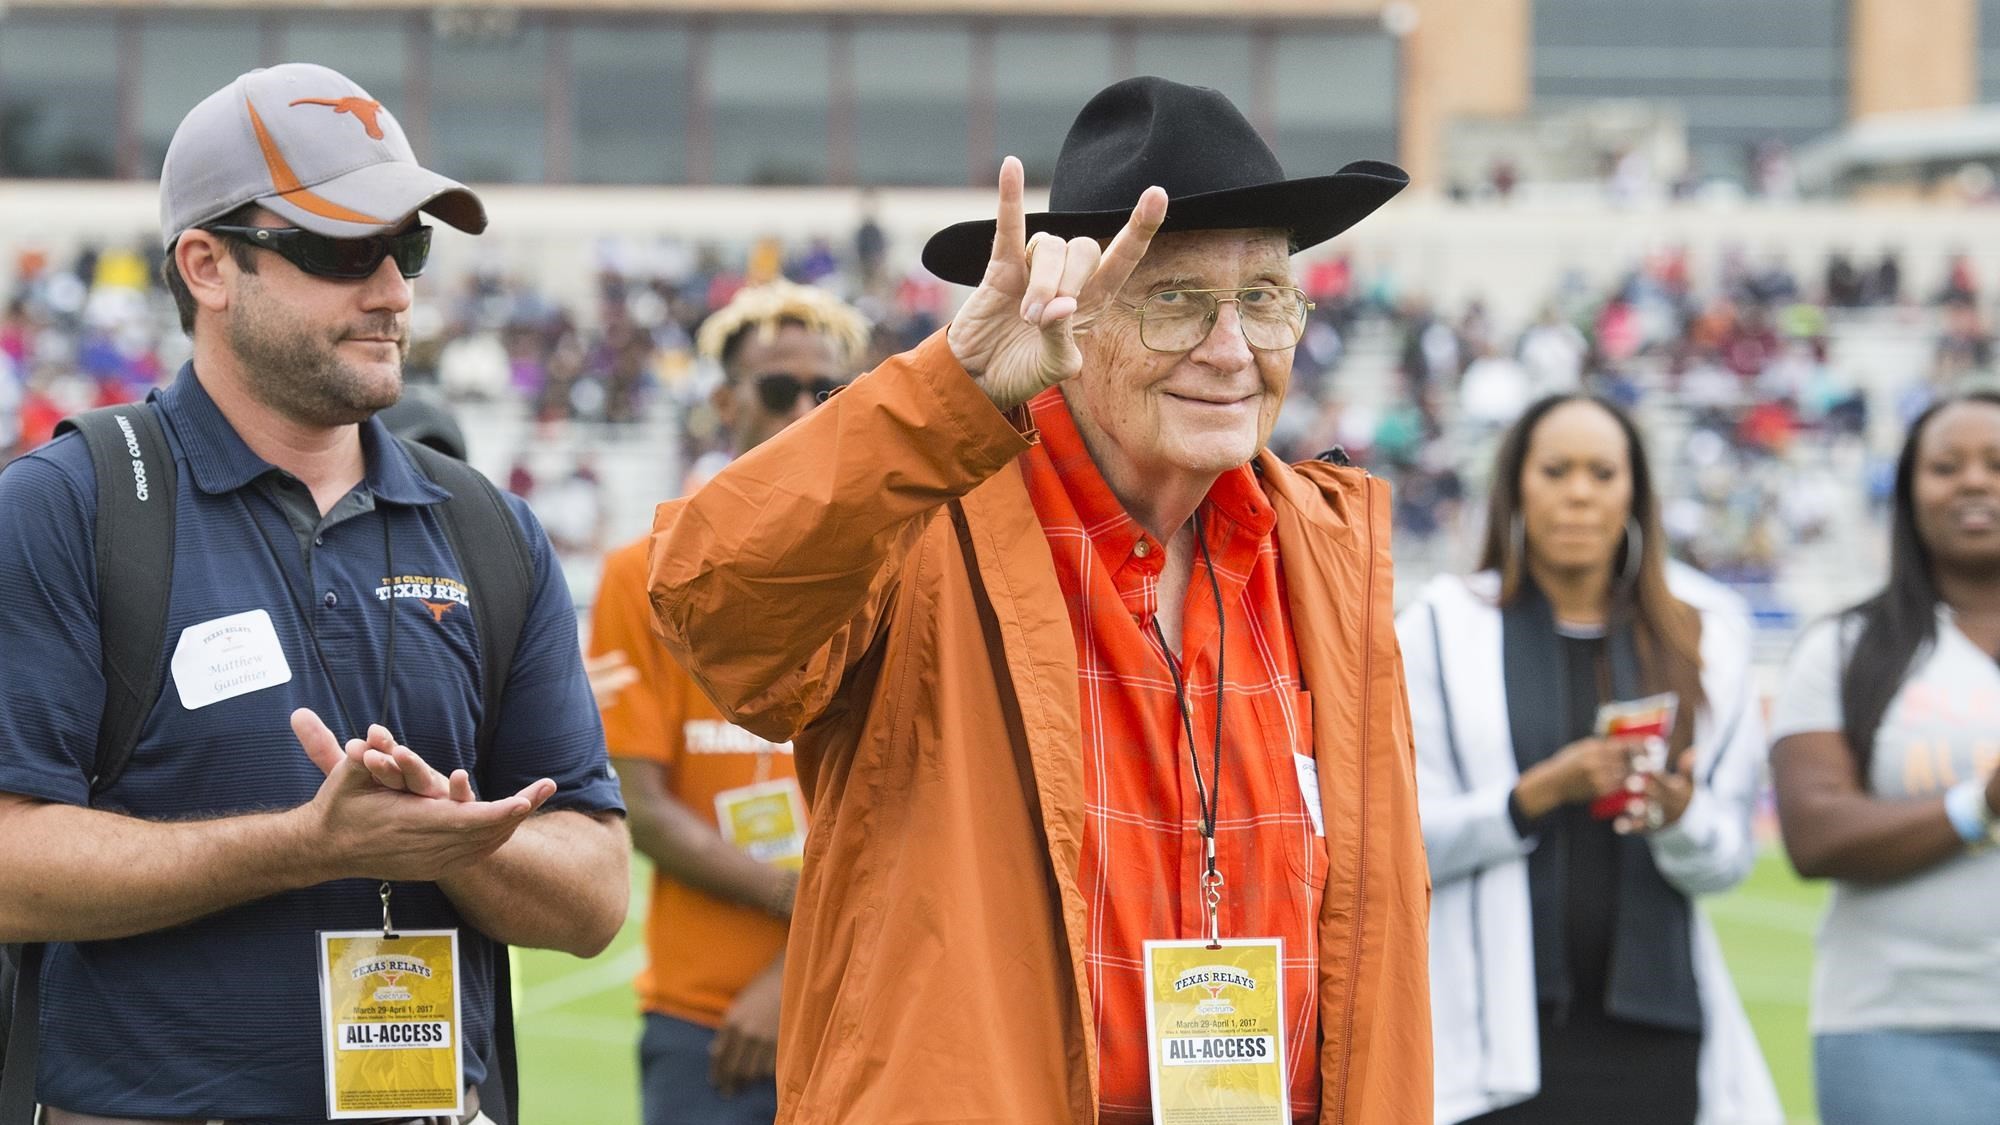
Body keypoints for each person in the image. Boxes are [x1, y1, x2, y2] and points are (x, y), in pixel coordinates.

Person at [649, 76, 1431, 1123]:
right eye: (1175, 301)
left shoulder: (1325, 559)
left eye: (1261, 298)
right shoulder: (923, 521)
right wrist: (952, 387)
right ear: (1075, 321)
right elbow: (713, 605)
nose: (1230, 348)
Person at [0, 62, 627, 1123]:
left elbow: (596, 890)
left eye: (409, 246)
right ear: (207, 265)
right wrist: (306, 846)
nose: (392, 291)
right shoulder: (71, 507)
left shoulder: (486, 526)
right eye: (343, 249)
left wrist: (458, 840)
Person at [1398, 394, 1781, 1125]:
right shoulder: (1442, 628)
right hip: (1487, 1047)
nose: (1579, 491)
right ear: (1516, 485)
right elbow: (1397, 845)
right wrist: (1531, 797)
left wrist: (1678, 816)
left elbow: (1728, 861)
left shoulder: (1708, 631)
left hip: (1659, 1038)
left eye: (1602, 472)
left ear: (1635, 490)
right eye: (1556, 469)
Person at [587, 281, 869, 1125]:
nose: (806, 410)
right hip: (701, 1019)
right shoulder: (638, 575)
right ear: (723, 400)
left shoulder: (896, 566)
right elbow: (640, 806)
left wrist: (795, 973)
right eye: (780, 389)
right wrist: (795, 903)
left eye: (830, 392)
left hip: (853, 1003)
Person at [1769, 392, 2000, 1125]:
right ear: (1906, 493)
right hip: (1898, 1027)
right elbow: (1814, 834)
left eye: (1997, 464)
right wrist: (1981, 805)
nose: (1973, 481)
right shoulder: (1842, 649)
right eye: (1945, 465)